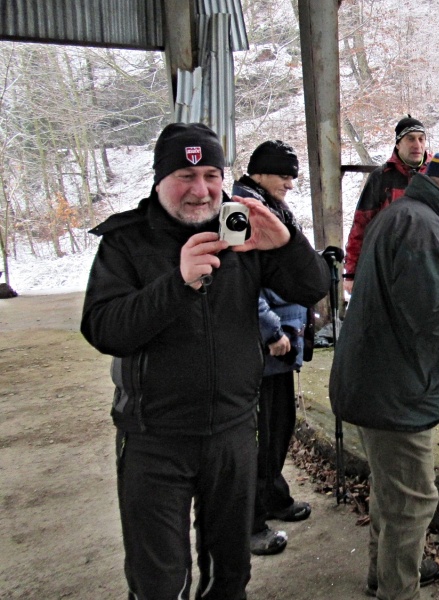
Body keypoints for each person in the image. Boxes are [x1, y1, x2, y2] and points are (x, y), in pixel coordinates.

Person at [81, 122, 329, 599]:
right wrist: (176, 284)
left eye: (212, 175)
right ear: (159, 180)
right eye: (185, 175)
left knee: (230, 573)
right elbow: (104, 328)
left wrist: (287, 241)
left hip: (233, 431)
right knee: (160, 580)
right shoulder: (126, 241)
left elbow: (312, 286)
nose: (201, 190)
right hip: (155, 437)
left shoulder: (241, 232)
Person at [330, 137, 439, 600]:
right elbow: (437, 317)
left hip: (378, 379)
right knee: (412, 502)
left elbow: (420, 296)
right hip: (397, 391)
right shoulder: (422, 227)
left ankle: (381, 574)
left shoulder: (407, 216)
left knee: (391, 492)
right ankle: (398, 590)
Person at [232, 140, 314, 557]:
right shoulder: (243, 210)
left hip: (285, 337)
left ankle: (274, 496)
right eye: (284, 174)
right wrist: (271, 330)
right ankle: (248, 524)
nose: (290, 183)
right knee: (261, 435)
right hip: (266, 344)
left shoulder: (268, 205)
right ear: (260, 173)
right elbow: (241, 282)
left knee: (280, 425)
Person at [342, 115, 429, 294]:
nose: (417, 145)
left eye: (421, 139)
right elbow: (361, 224)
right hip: (388, 265)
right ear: (398, 143)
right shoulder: (381, 177)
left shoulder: (437, 176)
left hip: (427, 264)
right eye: (410, 139)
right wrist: (351, 273)